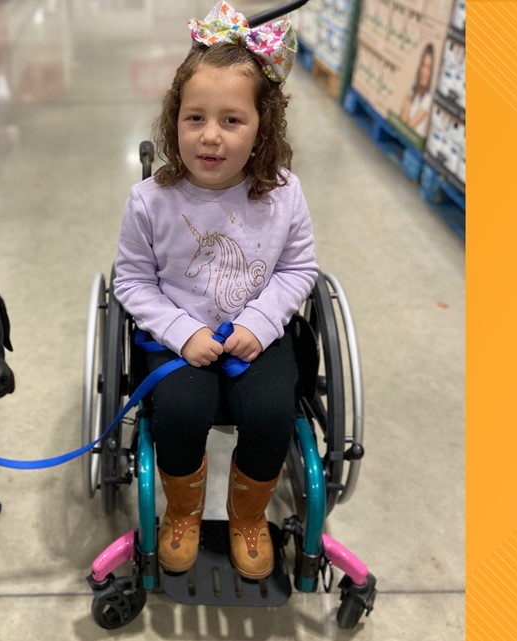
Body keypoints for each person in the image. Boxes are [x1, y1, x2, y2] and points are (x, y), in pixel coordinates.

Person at [112, 1, 318, 581]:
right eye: (194, 117)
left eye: (232, 120)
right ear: (173, 121)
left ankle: (248, 518)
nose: (210, 136)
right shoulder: (151, 200)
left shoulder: (282, 195)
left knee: (274, 412)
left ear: (263, 127)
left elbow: (299, 271)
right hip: (176, 337)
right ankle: (182, 513)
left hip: (257, 332)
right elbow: (132, 281)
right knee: (179, 412)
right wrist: (183, 332)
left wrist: (259, 322)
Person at [399, 43, 435, 130]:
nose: (424, 72)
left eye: (428, 68)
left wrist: (407, 107)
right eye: (423, 65)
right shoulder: (412, 90)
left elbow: (409, 127)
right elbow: (402, 120)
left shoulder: (428, 99)